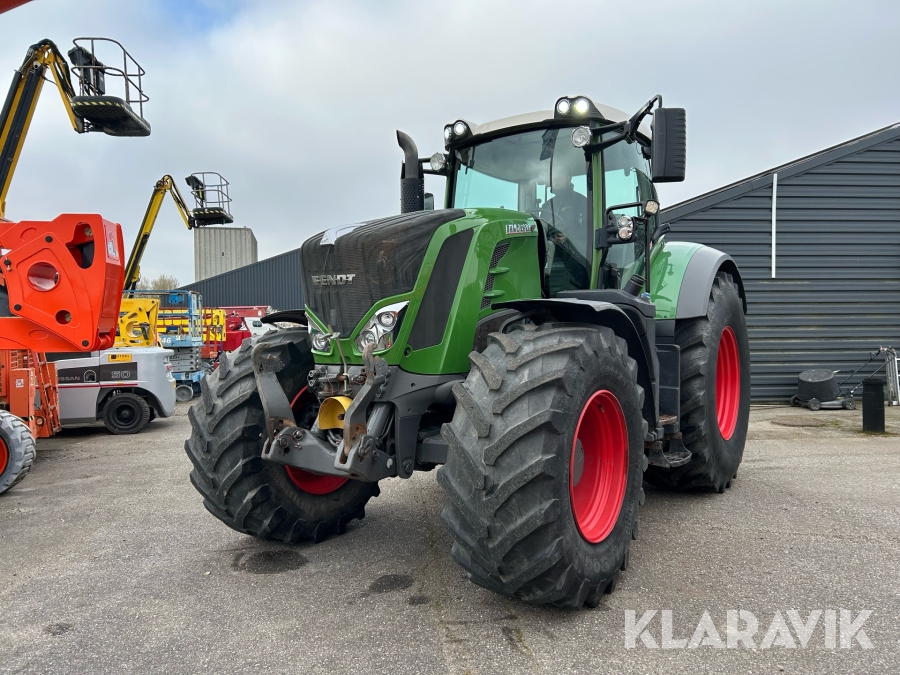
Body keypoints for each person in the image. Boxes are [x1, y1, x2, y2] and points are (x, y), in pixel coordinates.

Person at [540, 164, 588, 251]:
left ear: (569, 179)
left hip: (574, 252)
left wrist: (569, 237)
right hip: (549, 249)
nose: (556, 181)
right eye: (554, 179)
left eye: (559, 178)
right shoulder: (546, 205)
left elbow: (589, 229)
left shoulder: (581, 201)